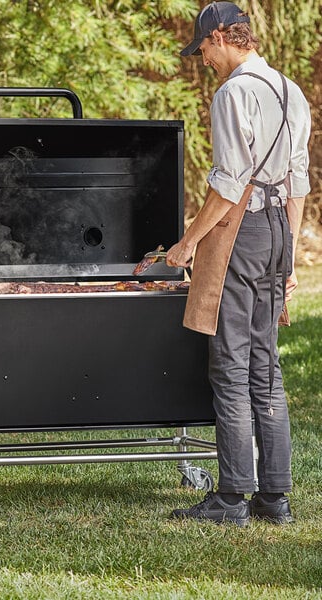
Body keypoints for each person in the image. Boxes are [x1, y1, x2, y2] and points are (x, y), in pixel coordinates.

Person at [167, 1, 311, 526]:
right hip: (275, 230)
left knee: (230, 365)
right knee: (266, 367)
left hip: (242, 232)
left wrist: (187, 243)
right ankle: (274, 499)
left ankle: (231, 499)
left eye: (202, 47)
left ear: (222, 38)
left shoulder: (233, 93)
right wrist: (289, 254)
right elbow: (297, 183)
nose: (202, 57)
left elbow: (228, 181)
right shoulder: (290, 89)